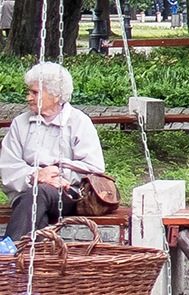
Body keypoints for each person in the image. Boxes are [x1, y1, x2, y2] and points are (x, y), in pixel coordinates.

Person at [0, 63, 108, 253]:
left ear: (56, 95)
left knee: (39, 192)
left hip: (68, 195)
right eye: (29, 92)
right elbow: (8, 167)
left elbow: (94, 167)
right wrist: (36, 175)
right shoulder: (20, 124)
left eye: (34, 92)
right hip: (25, 194)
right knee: (38, 211)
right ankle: (35, 264)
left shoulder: (79, 122)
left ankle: (8, 255)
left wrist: (58, 172)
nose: (28, 97)